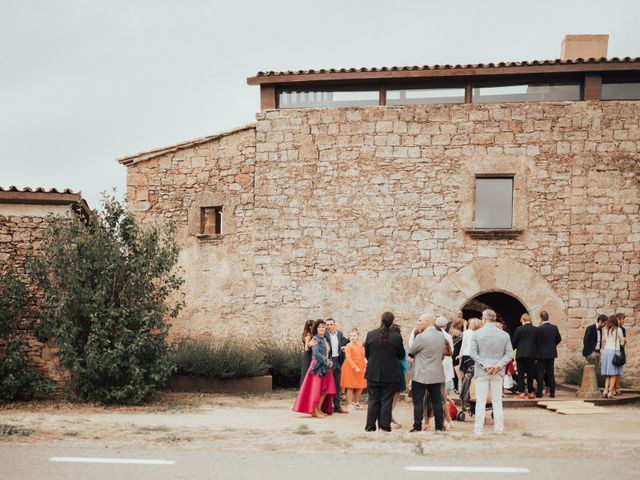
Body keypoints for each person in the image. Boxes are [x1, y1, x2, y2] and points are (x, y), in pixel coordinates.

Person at [470, 309, 513, 435]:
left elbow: (473, 353)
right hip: (497, 372)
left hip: (482, 371)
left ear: (483, 319)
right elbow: (509, 354)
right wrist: (497, 366)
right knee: (497, 401)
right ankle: (499, 429)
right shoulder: (504, 335)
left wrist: (485, 365)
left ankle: (478, 429)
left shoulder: (476, 334)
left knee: (481, 401)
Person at [364, 312, 406, 432]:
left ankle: (370, 426)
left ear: (381, 319)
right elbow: (401, 355)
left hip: (372, 372)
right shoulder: (396, 337)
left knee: (373, 400)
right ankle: (385, 426)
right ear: (392, 322)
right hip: (390, 373)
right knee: (386, 401)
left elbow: (367, 354)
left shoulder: (371, 334)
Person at [408, 313, 446, 432]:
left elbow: (411, 351)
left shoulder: (421, 337)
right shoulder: (441, 336)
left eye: (420, 320)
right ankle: (439, 427)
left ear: (427, 322)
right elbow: (442, 354)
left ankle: (417, 426)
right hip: (436, 374)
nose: (418, 323)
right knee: (437, 402)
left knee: (418, 401)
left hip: (420, 374)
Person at [293, 319, 336, 417]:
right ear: (316, 329)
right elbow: (316, 354)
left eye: (323, 326)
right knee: (316, 390)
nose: (321, 328)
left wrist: (330, 361)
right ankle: (314, 410)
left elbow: (328, 352)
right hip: (317, 367)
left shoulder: (325, 338)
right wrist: (327, 361)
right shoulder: (315, 339)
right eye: (319, 327)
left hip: (326, 366)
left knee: (325, 389)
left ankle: (319, 409)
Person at [512, 313, 539, 399]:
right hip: (532, 355)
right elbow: (538, 343)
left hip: (521, 354)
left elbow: (514, 342)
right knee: (531, 373)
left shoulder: (519, 329)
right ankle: (530, 392)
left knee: (520, 374)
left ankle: (522, 393)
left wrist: (515, 348)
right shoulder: (535, 329)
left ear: (522, 320)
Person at [535, 311, 562, 398]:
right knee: (550, 373)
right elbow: (558, 339)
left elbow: (536, 342)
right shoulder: (554, 328)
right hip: (551, 353)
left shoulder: (539, 329)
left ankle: (539, 392)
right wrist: (552, 346)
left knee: (540, 373)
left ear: (541, 318)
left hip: (541, 354)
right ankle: (552, 392)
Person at [324, 318, 349, 414]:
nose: (329, 326)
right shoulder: (324, 335)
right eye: (327, 324)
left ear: (334, 325)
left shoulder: (339, 334)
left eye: (331, 324)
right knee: (327, 385)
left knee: (337, 385)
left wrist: (344, 348)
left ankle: (337, 406)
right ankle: (327, 407)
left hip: (337, 361)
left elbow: (345, 343)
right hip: (328, 361)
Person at [340, 328, 367, 409]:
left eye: (354, 336)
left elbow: (363, 357)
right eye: (351, 336)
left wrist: (365, 367)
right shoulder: (348, 346)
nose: (352, 337)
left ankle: (356, 401)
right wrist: (355, 367)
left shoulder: (361, 346)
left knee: (361, 384)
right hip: (350, 366)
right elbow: (348, 358)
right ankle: (350, 403)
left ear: (358, 336)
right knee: (350, 385)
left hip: (360, 366)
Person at [601, 315, 625, 398]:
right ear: (615, 321)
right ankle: (610, 392)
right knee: (614, 374)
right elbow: (622, 342)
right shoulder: (619, 329)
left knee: (608, 374)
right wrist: (623, 342)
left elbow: (605, 340)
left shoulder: (605, 329)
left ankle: (605, 390)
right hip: (614, 352)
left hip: (606, 351)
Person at [390, 324, 408, 429]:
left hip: (388, 370)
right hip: (397, 369)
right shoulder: (397, 340)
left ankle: (388, 417)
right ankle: (389, 418)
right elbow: (402, 356)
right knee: (394, 395)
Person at [300, 319, 317, 386]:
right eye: (314, 325)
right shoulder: (308, 335)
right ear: (310, 326)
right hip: (308, 355)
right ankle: (304, 387)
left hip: (309, 355)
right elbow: (306, 348)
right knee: (306, 372)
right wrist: (311, 344)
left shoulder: (308, 334)